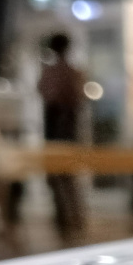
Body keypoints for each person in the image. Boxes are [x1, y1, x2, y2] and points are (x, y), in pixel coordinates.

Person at [38, 33, 86, 237]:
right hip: (65, 128)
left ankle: (68, 220)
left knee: (60, 177)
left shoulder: (52, 72)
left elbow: (45, 93)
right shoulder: (73, 72)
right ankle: (72, 220)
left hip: (58, 128)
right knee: (66, 177)